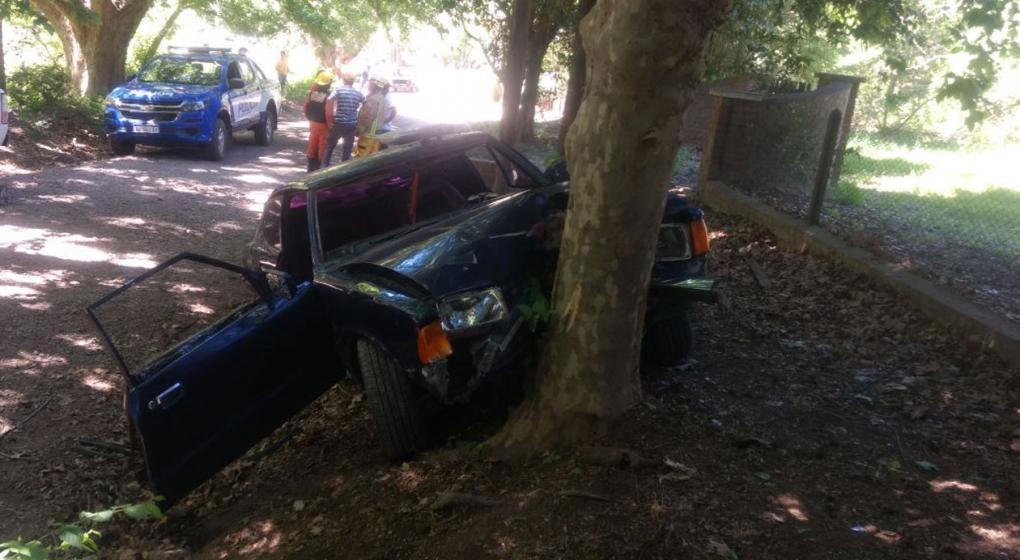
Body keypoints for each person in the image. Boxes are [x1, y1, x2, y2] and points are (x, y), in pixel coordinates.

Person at [323, 71, 365, 166]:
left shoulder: (338, 90)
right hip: (352, 125)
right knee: (347, 148)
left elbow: (329, 99)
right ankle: (343, 168)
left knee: (330, 146)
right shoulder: (358, 93)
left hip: (339, 123)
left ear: (343, 80)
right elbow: (366, 104)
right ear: (353, 82)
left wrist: (330, 116)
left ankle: (324, 166)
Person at [303, 70, 333, 171]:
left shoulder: (311, 93)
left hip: (313, 122)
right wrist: (330, 125)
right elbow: (328, 113)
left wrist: (309, 118)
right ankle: (319, 165)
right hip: (323, 124)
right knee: (322, 144)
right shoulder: (328, 97)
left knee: (312, 141)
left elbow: (305, 107)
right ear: (329, 83)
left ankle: (311, 164)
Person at [355, 77, 388, 158]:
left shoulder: (372, 99)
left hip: (368, 133)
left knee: (362, 155)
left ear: (374, 86)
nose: (367, 86)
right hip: (376, 132)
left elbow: (368, 117)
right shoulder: (382, 98)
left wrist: (360, 129)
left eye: (369, 84)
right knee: (372, 154)